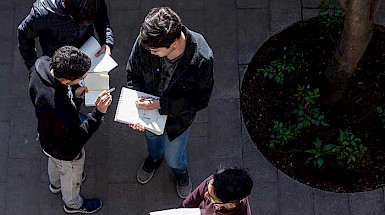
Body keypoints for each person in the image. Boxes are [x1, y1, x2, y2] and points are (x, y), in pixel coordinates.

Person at [126, 7, 214, 198]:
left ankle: (180, 171)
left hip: (178, 120)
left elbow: (200, 100)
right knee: (152, 140)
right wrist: (135, 103)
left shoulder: (201, 59)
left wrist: (161, 105)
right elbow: (133, 72)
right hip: (148, 111)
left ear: (174, 43)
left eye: (156, 51)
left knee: (174, 157)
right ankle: (154, 158)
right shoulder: (148, 42)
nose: (151, 52)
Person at [29, 46, 112, 214]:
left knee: (53, 161)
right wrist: (98, 113)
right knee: (72, 175)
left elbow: (59, 95)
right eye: (81, 78)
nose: (84, 79)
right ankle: (73, 204)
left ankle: (55, 184)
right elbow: (77, 138)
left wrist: (74, 92)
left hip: (47, 138)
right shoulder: (58, 108)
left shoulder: (41, 64)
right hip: (66, 150)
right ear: (66, 80)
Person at [18, 0, 114, 71]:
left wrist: (106, 42)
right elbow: (24, 36)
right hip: (59, 65)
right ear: (64, 5)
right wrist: (35, 68)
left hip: (89, 54)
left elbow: (101, 16)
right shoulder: (42, 14)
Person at [181, 168, 253, 215]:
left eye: (211, 197)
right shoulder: (213, 182)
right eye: (208, 184)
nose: (205, 194)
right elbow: (193, 199)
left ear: (230, 205)